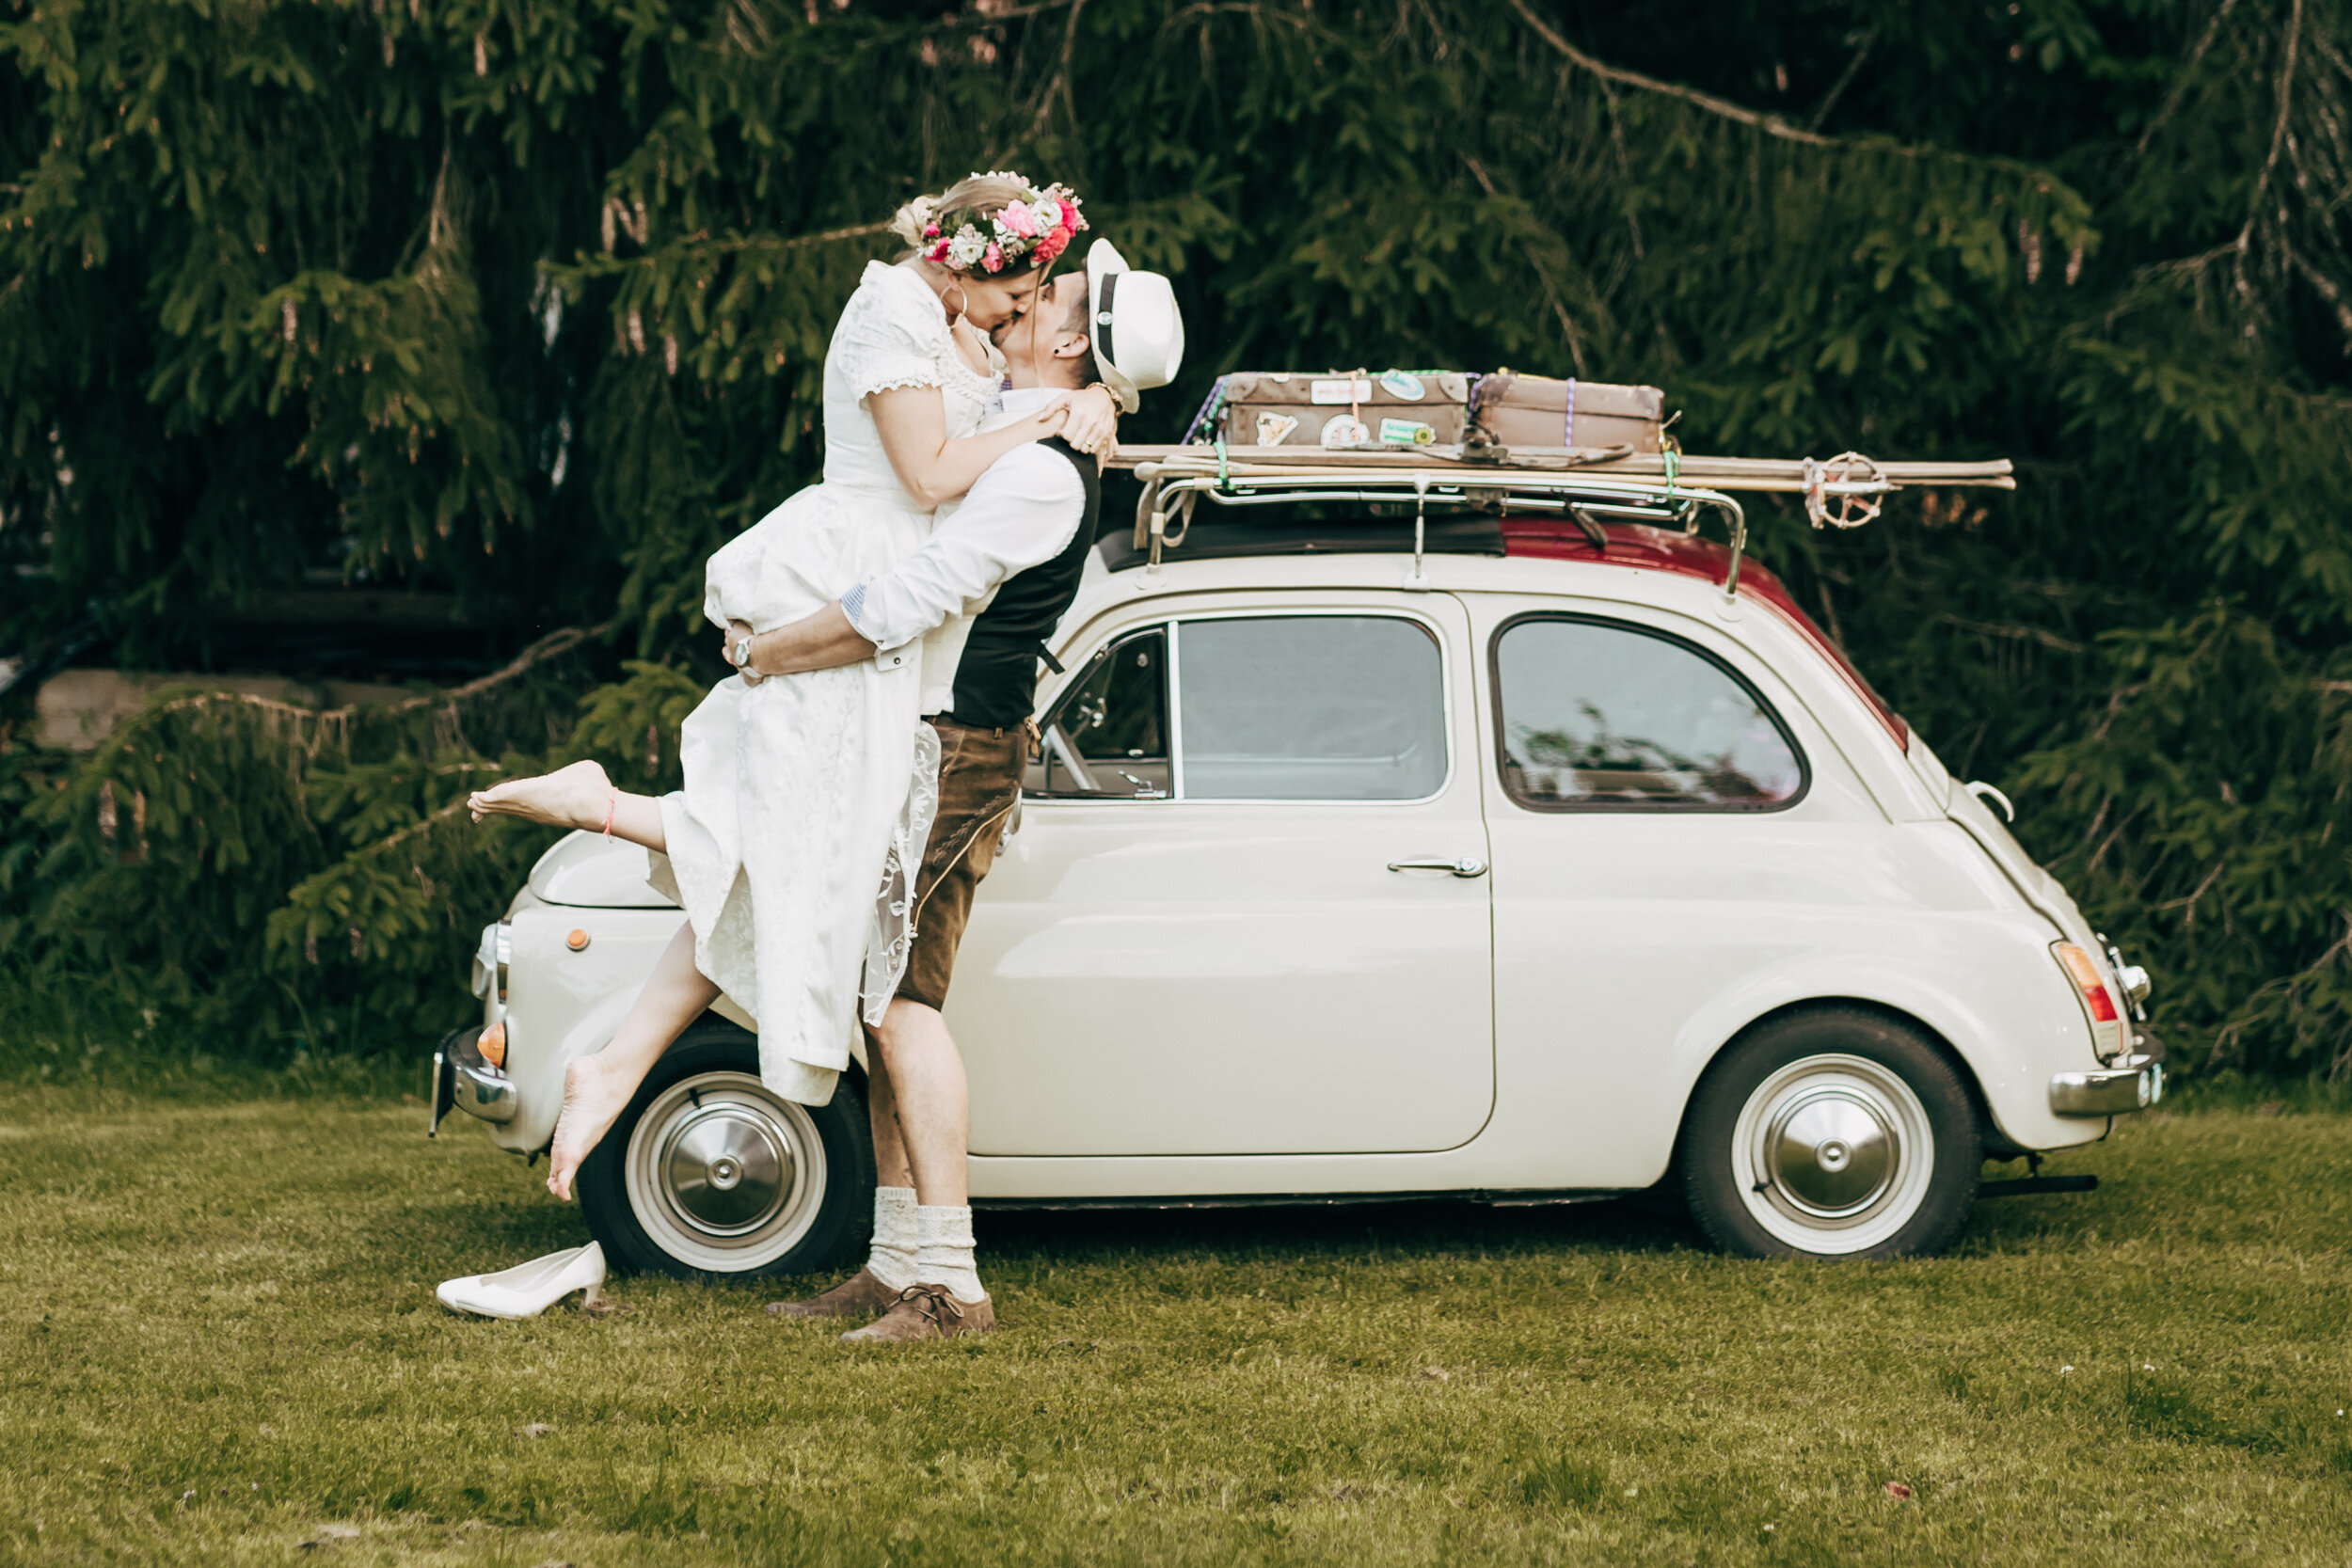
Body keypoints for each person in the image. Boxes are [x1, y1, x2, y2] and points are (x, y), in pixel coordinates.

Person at [467, 173, 1119, 1202]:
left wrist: (1079, 397)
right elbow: (932, 476)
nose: (1021, 314)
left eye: (1041, 300)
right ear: (964, 264)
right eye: (1017, 291)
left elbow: (999, 411)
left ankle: (610, 876)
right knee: (786, 836)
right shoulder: (894, 314)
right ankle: (613, 906)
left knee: (787, 843)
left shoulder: (966, 329)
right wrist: (1056, 411)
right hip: (854, 578)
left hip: (895, 618)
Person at [741, 240, 1184, 1342]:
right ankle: (896, 1262)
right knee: (881, 1001)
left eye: (1051, 295)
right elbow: (932, 327)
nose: (1027, 299)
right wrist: (1082, 408)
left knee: (902, 1004)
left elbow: (912, 595)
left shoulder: (1036, 471)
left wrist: (773, 653)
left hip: (961, 747)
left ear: (1069, 338)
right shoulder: (1029, 431)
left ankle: (952, 1284)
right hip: (934, 737)